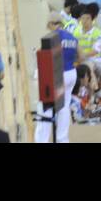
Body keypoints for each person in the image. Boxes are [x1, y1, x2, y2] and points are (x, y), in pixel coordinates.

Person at [34, 11, 79, 143]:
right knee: (64, 106)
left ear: (52, 24)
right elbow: (80, 56)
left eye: (49, 25)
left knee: (46, 107)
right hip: (71, 73)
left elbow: (43, 57)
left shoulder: (52, 37)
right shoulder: (71, 37)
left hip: (57, 75)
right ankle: (62, 139)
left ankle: (41, 140)